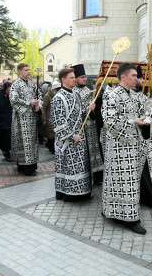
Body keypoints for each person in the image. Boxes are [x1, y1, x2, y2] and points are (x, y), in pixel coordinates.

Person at [101, 63, 151, 235]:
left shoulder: (134, 96)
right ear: (123, 77)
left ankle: (123, 213)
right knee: (122, 182)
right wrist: (133, 122)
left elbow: (143, 112)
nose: (136, 78)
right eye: (133, 76)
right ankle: (130, 219)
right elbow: (110, 121)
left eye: (136, 76)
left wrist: (144, 119)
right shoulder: (112, 96)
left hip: (133, 146)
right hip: (119, 148)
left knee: (130, 183)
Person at [50, 68, 94, 202]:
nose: (74, 79)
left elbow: (81, 115)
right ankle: (69, 193)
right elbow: (57, 121)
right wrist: (71, 136)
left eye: (75, 77)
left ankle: (82, 192)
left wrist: (89, 109)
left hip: (80, 140)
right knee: (68, 168)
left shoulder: (76, 94)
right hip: (67, 142)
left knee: (81, 167)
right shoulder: (58, 98)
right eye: (71, 77)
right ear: (63, 80)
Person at [133, 66, 152, 207]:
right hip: (135, 140)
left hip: (146, 138)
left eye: (144, 78)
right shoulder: (128, 96)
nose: (143, 80)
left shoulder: (144, 97)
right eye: (141, 78)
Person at [71, 64, 104, 184]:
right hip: (81, 128)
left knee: (95, 150)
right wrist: (87, 109)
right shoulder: (73, 92)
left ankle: (98, 176)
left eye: (85, 77)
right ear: (75, 78)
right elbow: (74, 111)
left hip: (91, 127)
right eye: (81, 77)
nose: (84, 79)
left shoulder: (88, 91)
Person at [9, 63, 41, 176]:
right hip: (21, 119)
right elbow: (13, 99)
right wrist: (29, 103)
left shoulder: (32, 83)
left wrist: (38, 105)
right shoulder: (16, 84)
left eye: (29, 69)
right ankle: (24, 167)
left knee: (31, 142)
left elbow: (39, 96)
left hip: (32, 118)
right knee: (23, 142)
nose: (28, 72)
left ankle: (31, 166)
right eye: (26, 70)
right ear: (19, 71)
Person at [0, 82, 13, 162]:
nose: (10, 91)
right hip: (2, 120)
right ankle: (6, 152)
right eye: (8, 90)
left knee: (9, 138)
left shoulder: (11, 96)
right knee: (4, 138)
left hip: (10, 119)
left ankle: (8, 151)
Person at [42, 81, 60, 153]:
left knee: (53, 134)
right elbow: (43, 108)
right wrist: (44, 119)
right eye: (57, 89)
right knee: (51, 135)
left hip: (55, 118)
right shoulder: (47, 96)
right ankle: (52, 149)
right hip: (49, 118)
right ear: (54, 89)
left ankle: (50, 146)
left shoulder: (57, 96)